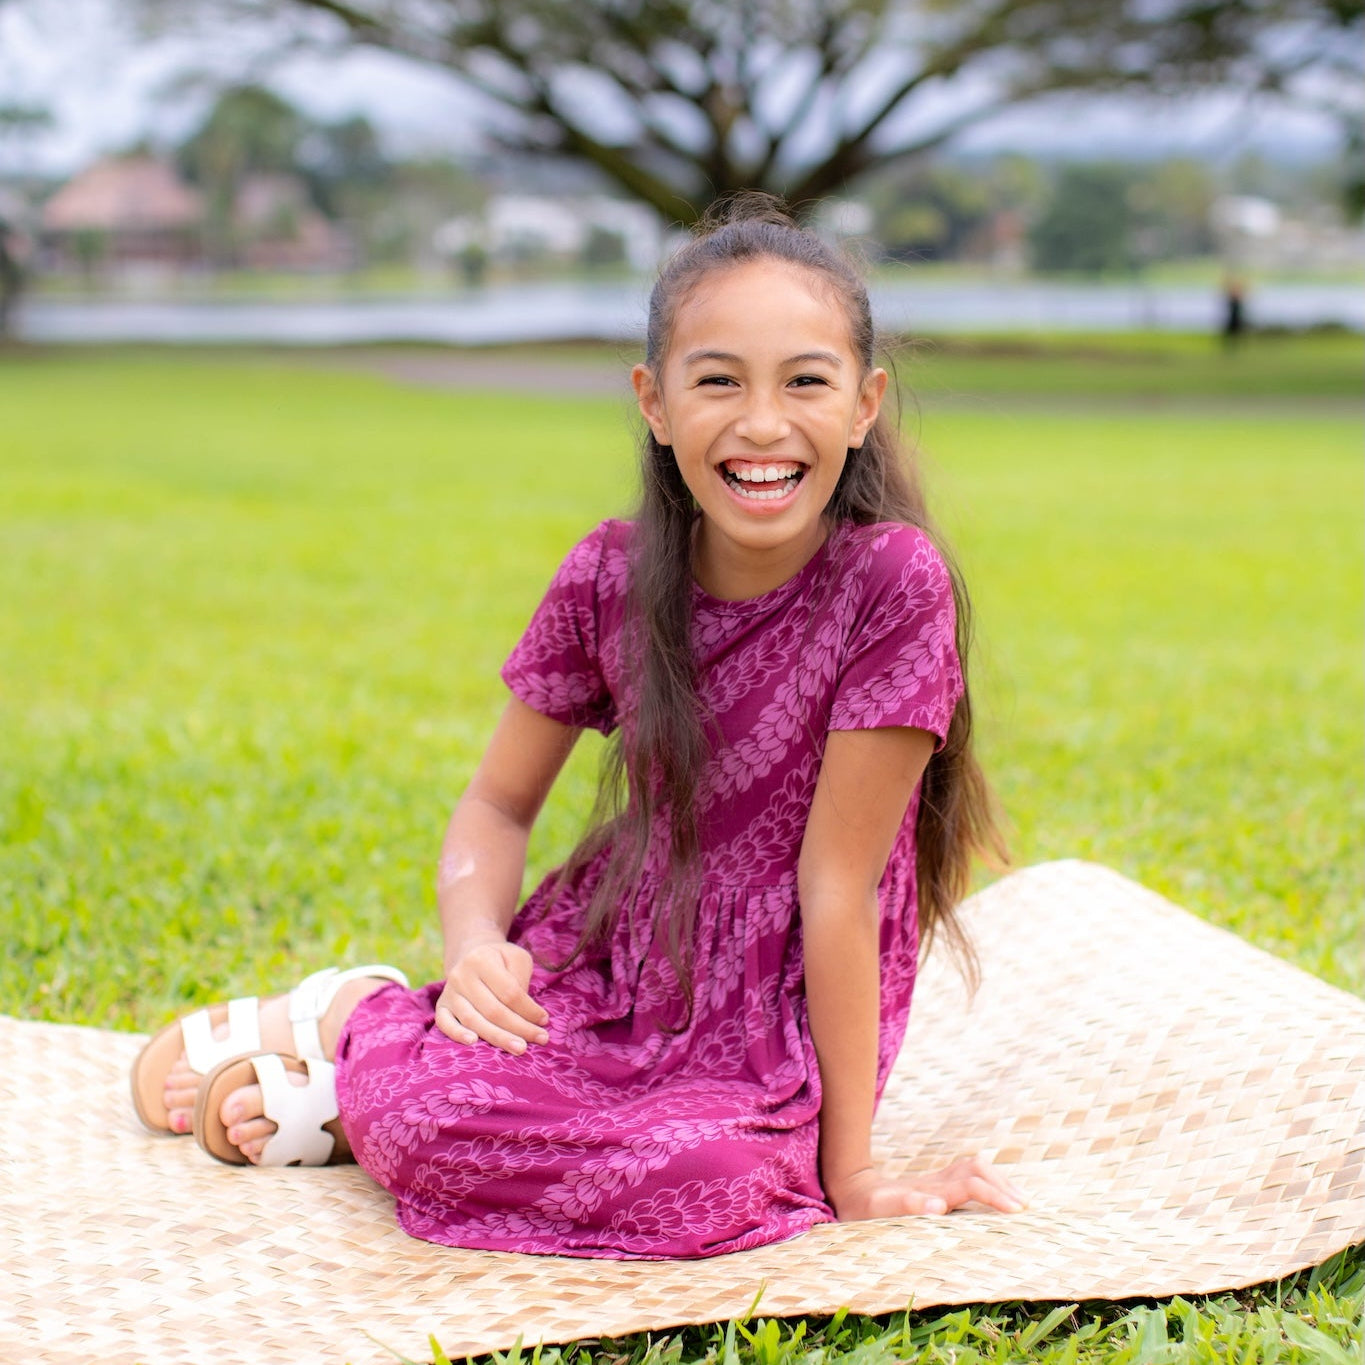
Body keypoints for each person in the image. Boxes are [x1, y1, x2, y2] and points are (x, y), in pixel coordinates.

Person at [132, 196, 1024, 1259]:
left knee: (714, 1183)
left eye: (806, 381)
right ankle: (368, 1024)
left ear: (865, 402)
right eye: (718, 380)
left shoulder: (890, 584)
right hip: (609, 965)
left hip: (772, 1010)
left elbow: (836, 888)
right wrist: (473, 950)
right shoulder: (609, 574)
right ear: (653, 401)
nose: (762, 423)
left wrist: (856, 1174)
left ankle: (346, 1071)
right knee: (434, 1121)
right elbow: (497, 805)